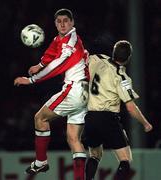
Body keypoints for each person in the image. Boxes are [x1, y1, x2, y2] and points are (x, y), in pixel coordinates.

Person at [14, 8, 89, 180]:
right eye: (59, 21)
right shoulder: (61, 38)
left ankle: (41, 161)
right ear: (55, 24)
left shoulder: (70, 42)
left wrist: (31, 79)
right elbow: (53, 50)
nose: (62, 24)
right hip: (84, 92)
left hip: (74, 89)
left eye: (66, 21)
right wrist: (40, 65)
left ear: (72, 23)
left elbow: (58, 64)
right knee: (73, 139)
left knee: (40, 118)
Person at [84, 40, 153, 180]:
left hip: (90, 117)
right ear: (128, 58)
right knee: (125, 160)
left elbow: (84, 58)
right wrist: (146, 124)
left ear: (113, 52)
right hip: (108, 118)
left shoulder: (98, 59)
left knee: (94, 155)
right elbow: (131, 107)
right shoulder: (121, 77)